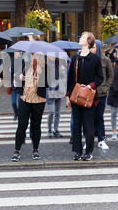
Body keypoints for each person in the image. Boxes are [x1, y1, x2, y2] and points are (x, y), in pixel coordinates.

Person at [66, 32, 103, 161]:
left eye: (82, 37)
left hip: (89, 97)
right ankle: (77, 150)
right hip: (76, 96)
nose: (79, 38)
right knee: (76, 125)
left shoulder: (95, 59)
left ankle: (88, 151)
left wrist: (91, 86)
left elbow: (100, 78)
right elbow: (70, 79)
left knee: (88, 125)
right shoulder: (75, 58)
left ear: (88, 41)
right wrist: (67, 95)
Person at [11, 52, 48, 162]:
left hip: (39, 100)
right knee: (22, 125)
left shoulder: (45, 67)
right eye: (32, 54)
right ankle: (17, 151)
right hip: (25, 98)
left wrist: (42, 74)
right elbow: (15, 77)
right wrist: (19, 79)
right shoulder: (24, 64)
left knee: (36, 125)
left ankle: (35, 150)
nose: (34, 56)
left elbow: (50, 84)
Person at [91, 40, 113, 150]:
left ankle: (101, 138)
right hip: (89, 93)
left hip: (101, 93)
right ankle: (89, 139)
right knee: (89, 117)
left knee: (99, 116)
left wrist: (106, 87)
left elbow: (110, 75)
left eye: (94, 46)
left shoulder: (106, 60)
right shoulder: (88, 59)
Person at [46, 56, 67, 138]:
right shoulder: (46, 66)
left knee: (57, 113)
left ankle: (55, 130)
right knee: (51, 112)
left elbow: (64, 77)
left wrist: (63, 71)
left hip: (59, 90)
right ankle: (49, 130)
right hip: (50, 91)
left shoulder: (61, 64)